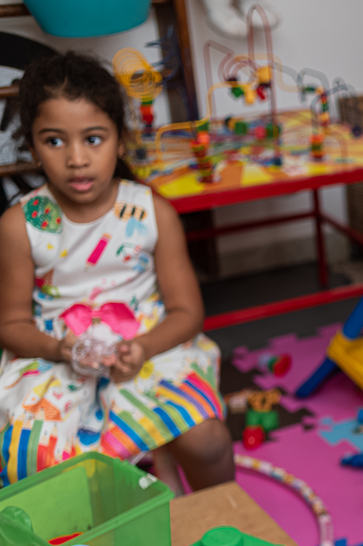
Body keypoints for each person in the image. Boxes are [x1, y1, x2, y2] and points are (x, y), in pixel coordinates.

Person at [0, 52, 232, 490]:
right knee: (36, 459)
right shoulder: (18, 225)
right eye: (54, 141)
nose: (76, 159)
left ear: (120, 140)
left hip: (149, 343)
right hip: (55, 352)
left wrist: (142, 348)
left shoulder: (151, 211)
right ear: (31, 145)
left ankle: (224, 524)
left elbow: (187, 312)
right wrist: (62, 349)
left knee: (207, 440)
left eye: (93, 139)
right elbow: (10, 324)